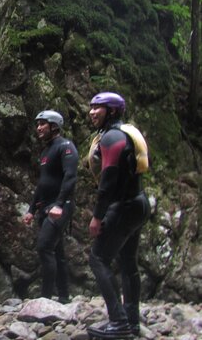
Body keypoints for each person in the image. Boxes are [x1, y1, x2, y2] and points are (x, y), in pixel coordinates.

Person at [86, 92, 151, 339]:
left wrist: (97, 216)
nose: (92, 112)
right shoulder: (126, 132)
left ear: (112, 111)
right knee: (127, 263)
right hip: (139, 203)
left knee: (98, 259)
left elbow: (108, 181)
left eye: (98, 108)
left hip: (123, 206)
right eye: (91, 107)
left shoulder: (112, 137)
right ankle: (131, 321)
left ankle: (119, 321)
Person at [22, 110, 78, 304]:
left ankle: (45, 298)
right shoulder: (46, 151)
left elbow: (70, 177)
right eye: (37, 124)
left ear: (54, 126)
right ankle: (63, 297)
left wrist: (60, 204)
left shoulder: (65, 146)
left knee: (44, 247)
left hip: (60, 206)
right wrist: (31, 209)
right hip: (45, 206)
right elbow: (42, 182)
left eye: (42, 124)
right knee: (58, 252)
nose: (38, 128)